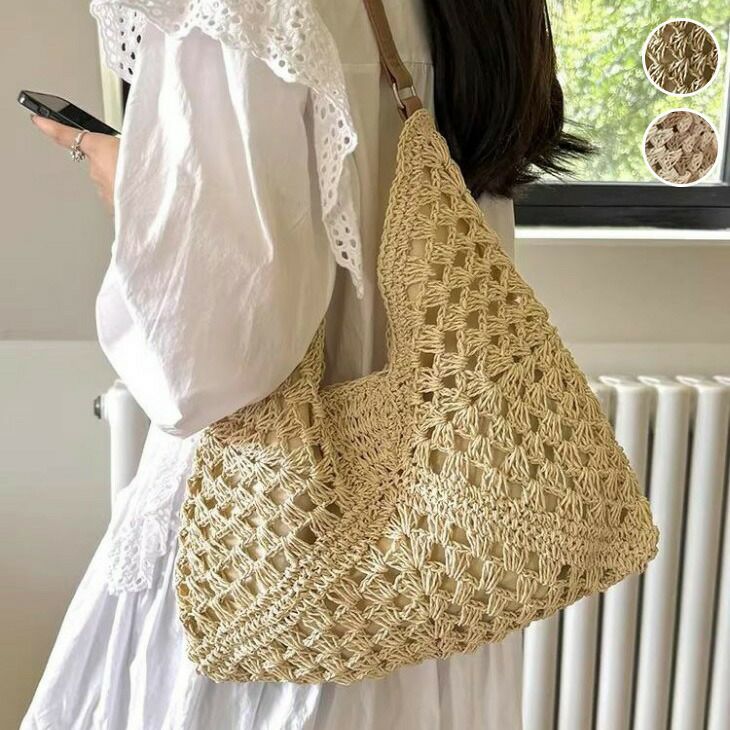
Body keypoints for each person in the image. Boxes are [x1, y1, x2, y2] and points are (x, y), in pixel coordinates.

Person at [23, 1, 588, 728]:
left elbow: (209, 363)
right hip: (436, 548)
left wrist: (131, 184)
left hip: (272, 554)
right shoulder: (494, 13)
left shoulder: (251, 11)